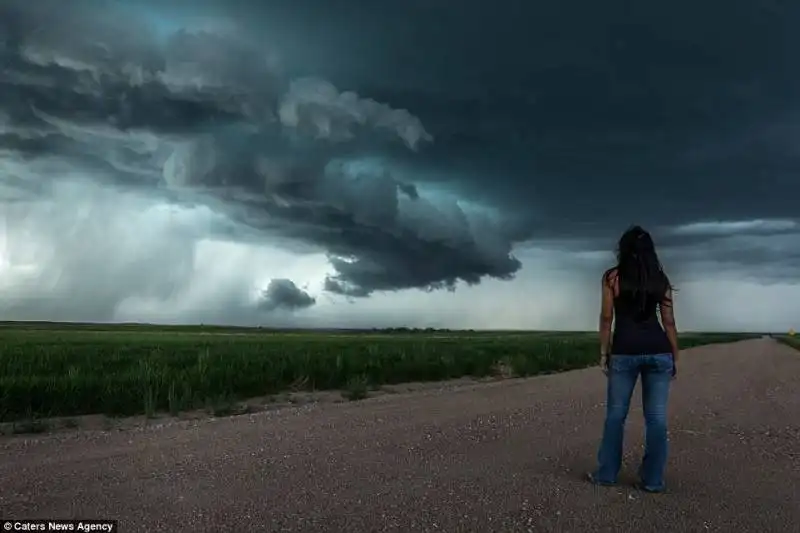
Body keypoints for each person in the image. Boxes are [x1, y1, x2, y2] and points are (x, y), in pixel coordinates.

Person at [586, 225, 679, 493]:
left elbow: (606, 318)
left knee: (616, 416)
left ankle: (606, 475)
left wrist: (604, 352)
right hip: (658, 350)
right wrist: (674, 355)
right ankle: (652, 480)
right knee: (657, 419)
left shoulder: (612, 278)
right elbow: (669, 322)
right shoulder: (660, 279)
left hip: (624, 351)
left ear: (623, 249)